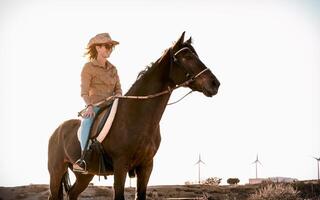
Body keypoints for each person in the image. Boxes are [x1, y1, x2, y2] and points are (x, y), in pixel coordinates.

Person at [73, 33, 122, 173]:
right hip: (95, 106)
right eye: (107, 46)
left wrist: (118, 95)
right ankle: (84, 158)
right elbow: (84, 91)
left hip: (113, 104)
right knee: (86, 122)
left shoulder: (113, 69)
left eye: (111, 47)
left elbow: (118, 88)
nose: (109, 49)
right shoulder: (88, 67)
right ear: (98, 48)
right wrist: (89, 106)